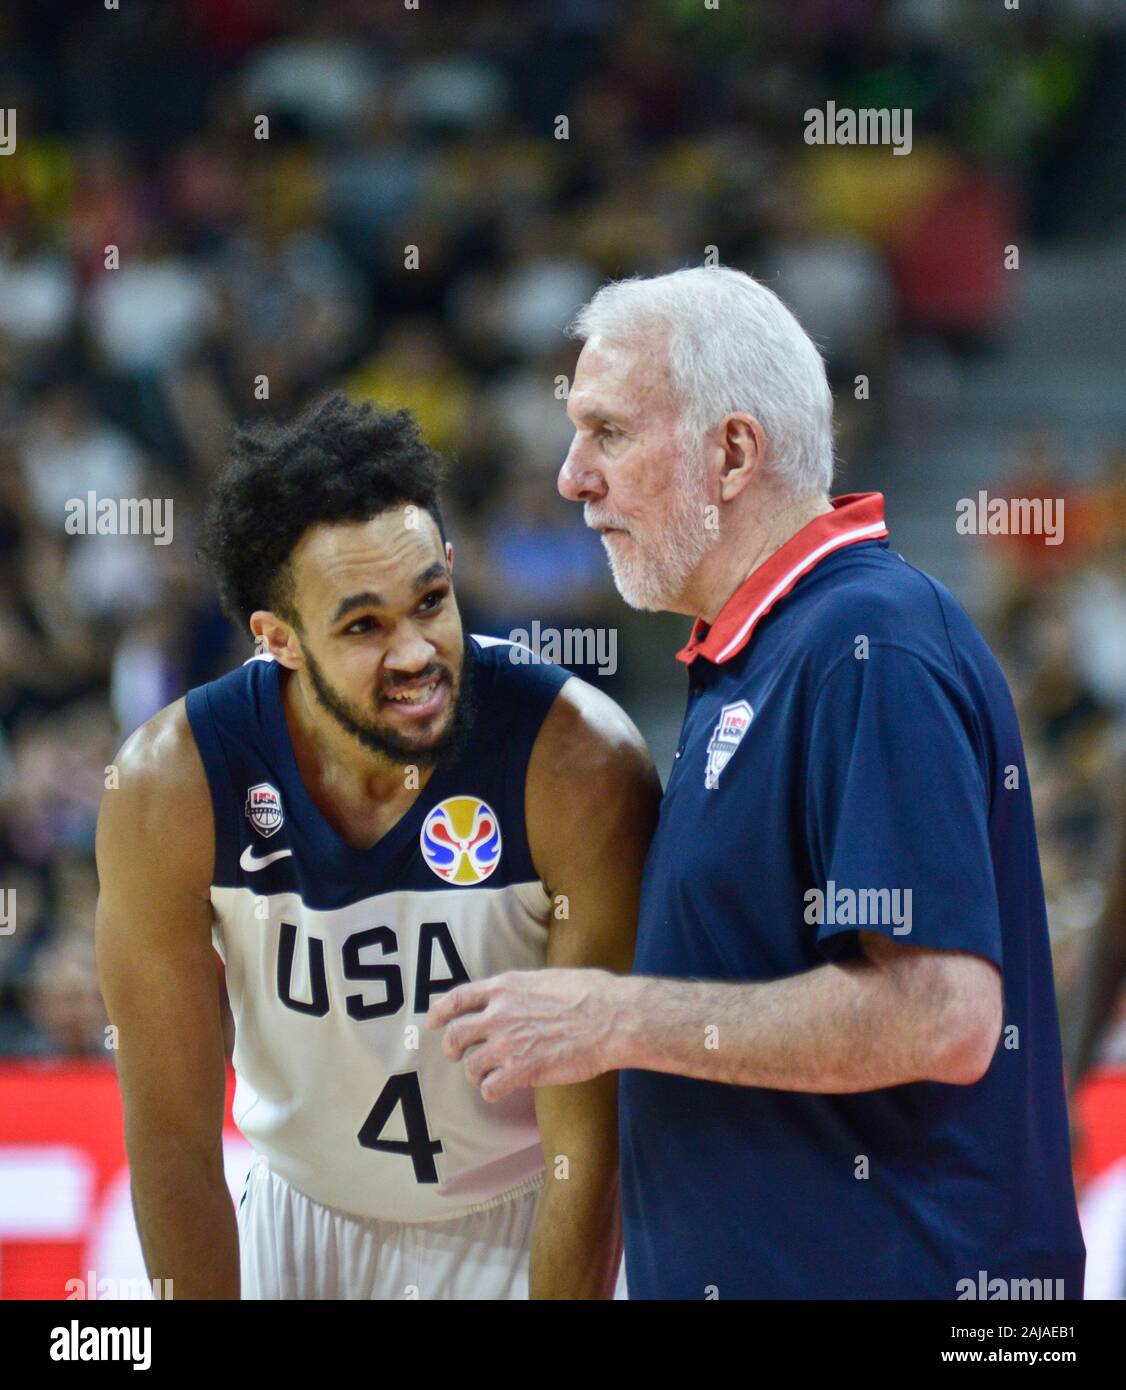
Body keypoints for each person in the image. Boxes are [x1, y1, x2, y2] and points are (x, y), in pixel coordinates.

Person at [429, 266, 1087, 1300]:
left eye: (607, 432)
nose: (570, 477)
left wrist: (613, 1019)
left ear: (731, 452)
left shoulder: (865, 642)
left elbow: (942, 1013)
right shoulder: (763, 654)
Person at [95, 393, 658, 1300]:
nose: (416, 652)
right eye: (363, 626)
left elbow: (589, 1145)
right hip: (298, 1217)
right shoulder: (172, 786)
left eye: (431, 602)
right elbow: (171, 1142)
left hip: (526, 1222)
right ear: (277, 641)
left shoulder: (578, 764)